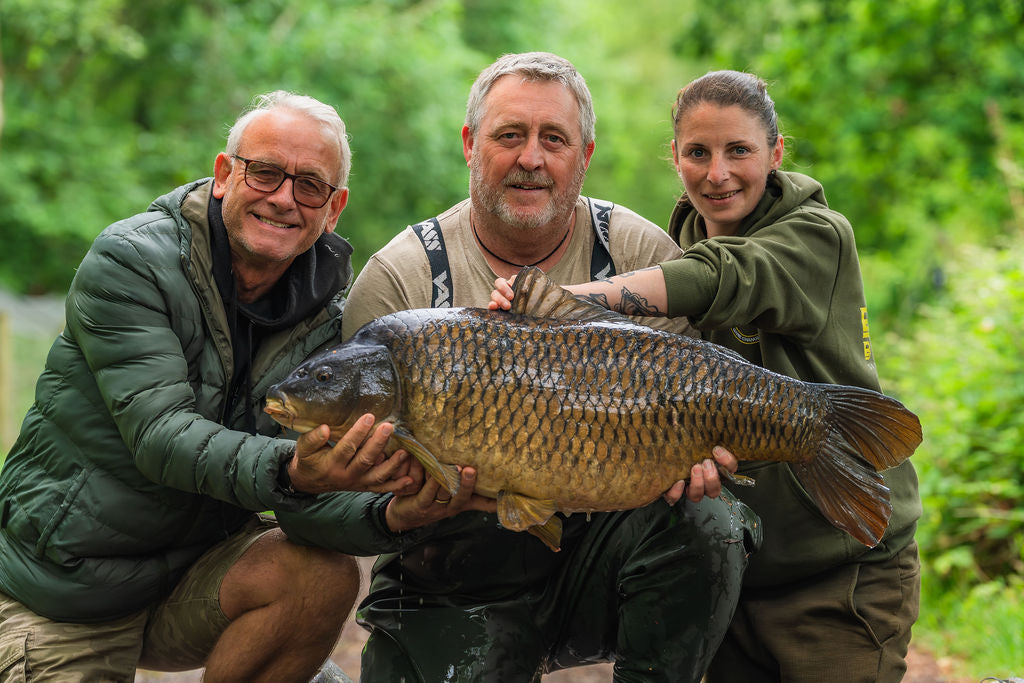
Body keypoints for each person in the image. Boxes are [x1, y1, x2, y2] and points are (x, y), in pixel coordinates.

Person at [338, 52, 760, 682]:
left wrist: (697, 457)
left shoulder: (640, 252)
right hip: (449, 570)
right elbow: (349, 491)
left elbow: (699, 392)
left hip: (604, 551)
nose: (531, 158)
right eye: (510, 135)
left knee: (710, 523)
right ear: (470, 145)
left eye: (554, 139)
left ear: (584, 156)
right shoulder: (401, 278)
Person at [492, 69, 922, 682]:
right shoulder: (675, 244)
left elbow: (722, 277)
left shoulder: (819, 234)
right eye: (698, 153)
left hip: (839, 567)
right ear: (675, 157)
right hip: (736, 572)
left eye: (739, 150)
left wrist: (562, 304)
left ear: (776, 153)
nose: (717, 173)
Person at [0, 91, 422, 682]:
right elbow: (161, 436)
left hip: (194, 577)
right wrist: (293, 472)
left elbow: (310, 501)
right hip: (65, 589)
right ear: (224, 175)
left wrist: (394, 513)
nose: (283, 198)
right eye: (266, 172)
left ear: (334, 209)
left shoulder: (331, 320)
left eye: (310, 186)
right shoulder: (131, 262)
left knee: (319, 575)